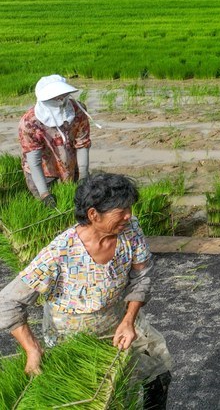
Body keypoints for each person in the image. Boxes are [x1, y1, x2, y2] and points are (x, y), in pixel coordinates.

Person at [0, 173, 172, 409]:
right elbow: (8, 302)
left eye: (129, 208)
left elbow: (141, 277)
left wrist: (129, 319)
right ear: (93, 214)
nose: (129, 215)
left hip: (119, 323)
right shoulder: (60, 253)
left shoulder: (130, 231)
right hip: (74, 339)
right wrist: (32, 348)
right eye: (120, 211)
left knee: (158, 373)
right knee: (104, 399)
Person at [19, 74, 92, 208]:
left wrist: (83, 175)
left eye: (63, 95)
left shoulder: (78, 111)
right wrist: (44, 194)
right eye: (55, 97)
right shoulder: (30, 122)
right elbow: (34, 161)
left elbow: (82, 143)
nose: (60, 100)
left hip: (70, 164)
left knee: (77, 202)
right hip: (43, 170)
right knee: (47, 208)